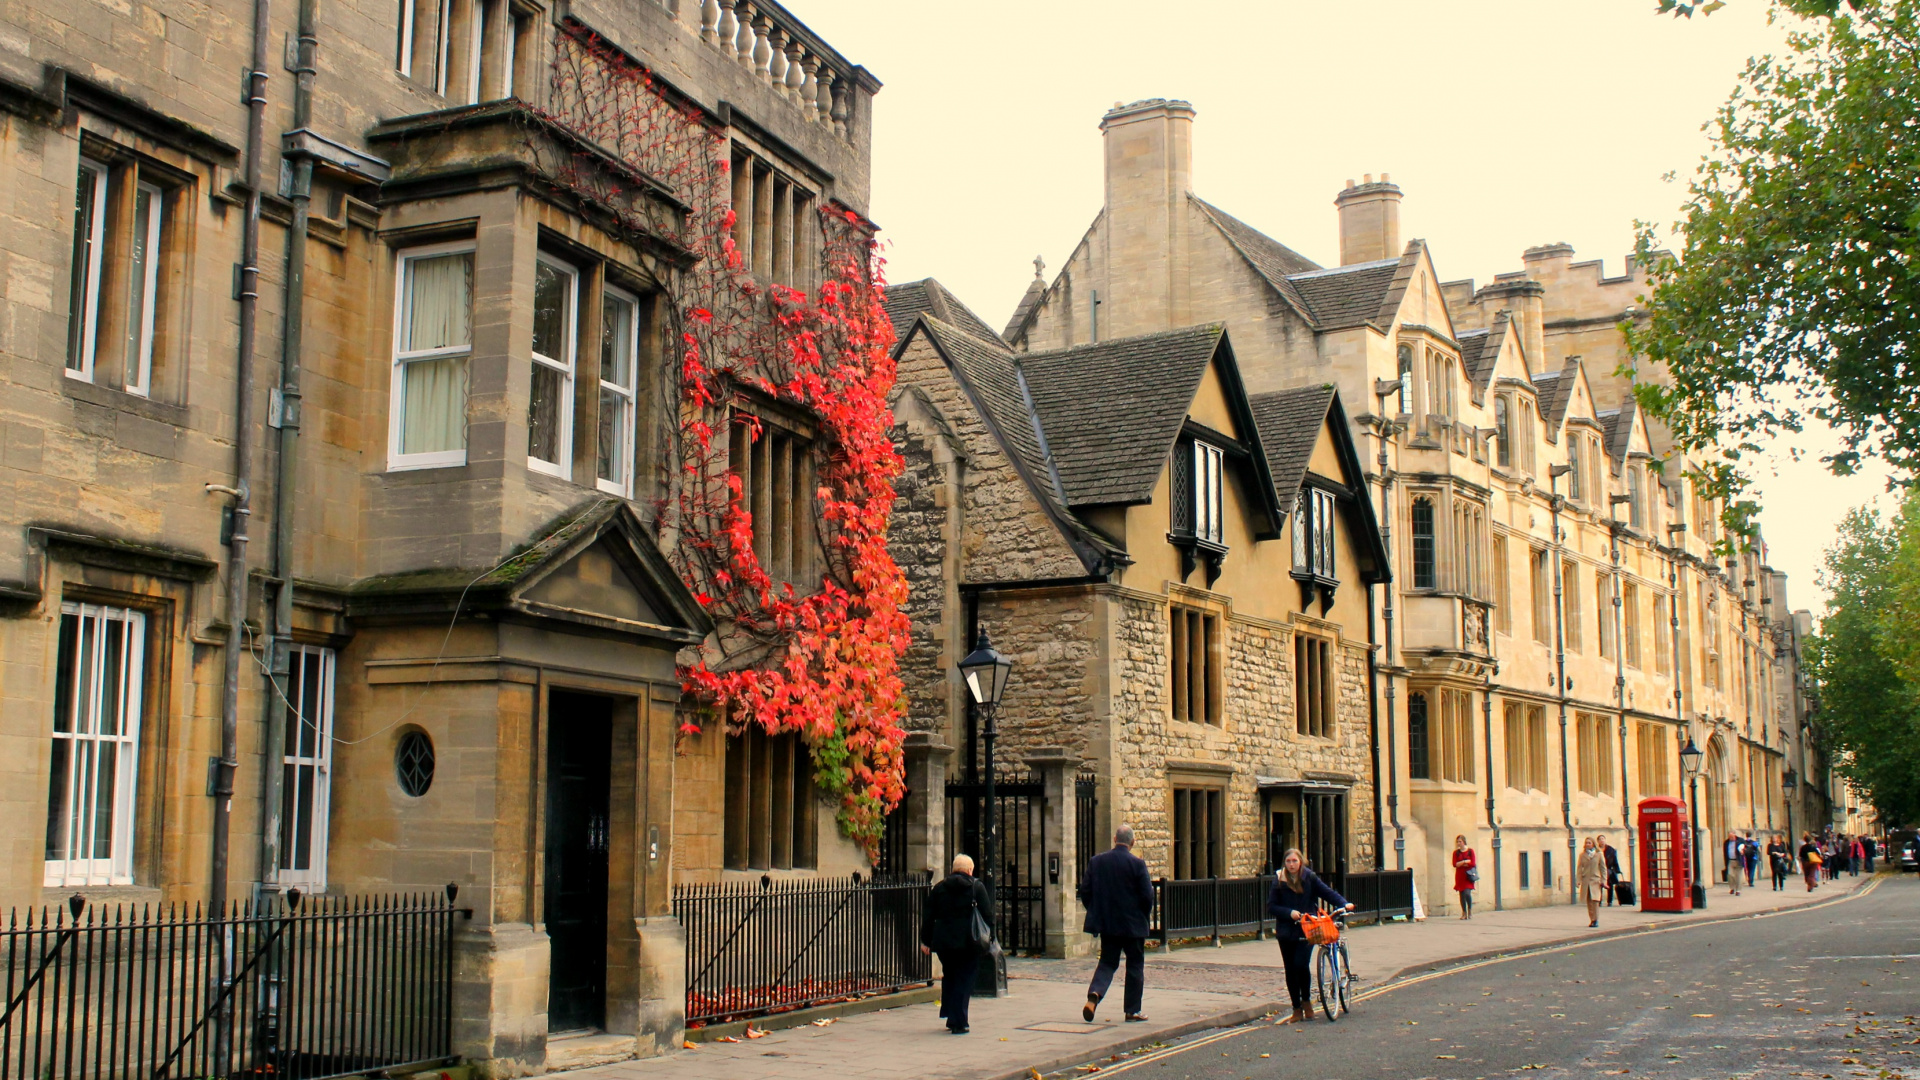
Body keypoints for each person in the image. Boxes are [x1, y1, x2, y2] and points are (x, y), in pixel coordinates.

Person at [1078, 824, 1155, 1023]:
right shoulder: (1137, 864)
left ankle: (1094, 995)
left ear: (1114, 839)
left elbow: (1085, 892)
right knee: (1135, 965)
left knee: (1107, 962)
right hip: (1133, 926)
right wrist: (1142, 916)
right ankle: (1132, 1011)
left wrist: (1098, 911)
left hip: (1109, 924)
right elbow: (1147, 896)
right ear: (1132, 842)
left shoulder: (1097, 862)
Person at [1267, 848, 1353, 1022]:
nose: (1291, 865)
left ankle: (1307, 1002)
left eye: (1294, 861)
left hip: (1308, 929)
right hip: (1286, 930)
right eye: (1288, 861)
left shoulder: (1309, 878)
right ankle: (1296, 1009)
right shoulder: (1279, 880)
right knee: (1290, 970)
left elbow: (1328, 893)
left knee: (1301, 965)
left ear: (1301, 862)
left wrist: (1345, 903)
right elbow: (1271, 906)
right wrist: (1289, 912)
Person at [919, 854, 994, 1035]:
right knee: (965, 979)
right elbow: (988, 915)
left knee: (950, 976)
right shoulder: (976, 887)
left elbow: (928, 916)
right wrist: (991, 938)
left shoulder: (939, 888)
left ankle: (951, 1017)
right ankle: (959, 1022)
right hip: (969, 942)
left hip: (944, 942)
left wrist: (925, 941)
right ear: (970, 870)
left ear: (953, 869)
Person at [1578, 836, 1607, 926]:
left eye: (1589, 843)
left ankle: (1596, 920)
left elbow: (1603, 869)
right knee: (1589, 902)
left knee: (1595, 901)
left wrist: (1604, 881)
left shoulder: (1599, 854)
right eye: (1586, 843)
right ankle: (1592, 919)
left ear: (1593, 844)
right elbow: (1579, 869)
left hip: (1595, 880)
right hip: (1586, 880)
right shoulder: (1582, 855)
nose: (1587, 844)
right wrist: (1578, 880)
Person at [1451, 835, 1477, 920]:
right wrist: (1465, 862)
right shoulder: (1456, 853)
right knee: (1461, 895)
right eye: (1457, 842)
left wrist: (1462, 863)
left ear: (1464, 842)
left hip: (1468, 876)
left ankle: (1469, 910)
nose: (1459, 843)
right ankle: (1464, 912)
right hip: (1460, 876)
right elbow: (1455, 864)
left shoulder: (1470, 851)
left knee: (1467, 893)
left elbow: (1472, 863)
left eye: (1460, 841)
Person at [1600, 836, 1623, 907]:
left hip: (1608, 869)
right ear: (1598, 841)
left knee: (1609, 885)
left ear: (1605, 840)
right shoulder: (1596, 850)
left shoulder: (1611, 849)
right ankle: (1599, 900)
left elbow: (1615, 860)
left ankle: (1609, 901)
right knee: (1599, 885)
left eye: (1603, 839)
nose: (1602, 841)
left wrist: (1617, 870)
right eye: (1600, 839)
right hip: (1599, 869)